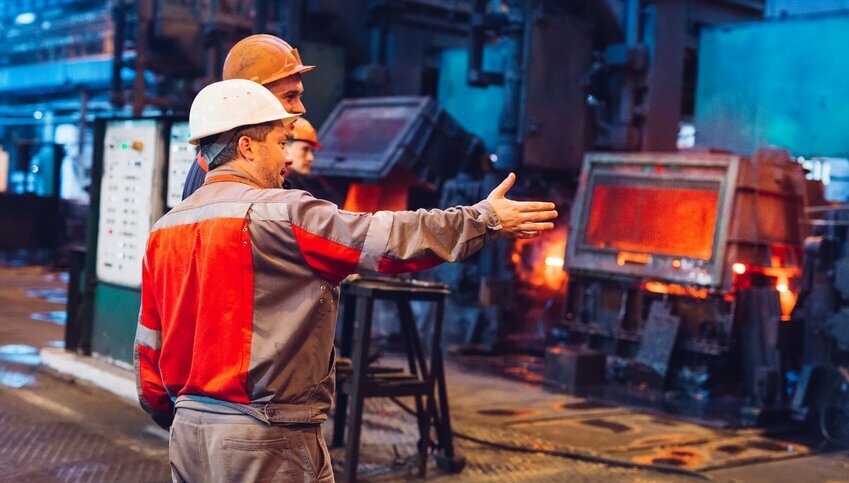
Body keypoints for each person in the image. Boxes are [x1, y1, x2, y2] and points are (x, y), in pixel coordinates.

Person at [135, 79, 558, 482]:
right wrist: (481, 219)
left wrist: (188, 418)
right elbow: (386, 241)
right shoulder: (282, 215)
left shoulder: (164, 230)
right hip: (263, 438)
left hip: (188, 434)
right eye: (281, 143)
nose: (287, 158)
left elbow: (149, 355)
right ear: (246, 146)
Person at [181, 34, 313, 200]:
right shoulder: (228, 168)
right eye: (289, 97)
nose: (301, 109)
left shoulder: (221, 157)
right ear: (252, 97)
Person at [285, 117, 341, 203]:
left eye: (312, 151)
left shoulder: (303, 181)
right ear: (284, 146)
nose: (310, 158)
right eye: (305, 149)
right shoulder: (283, 183)